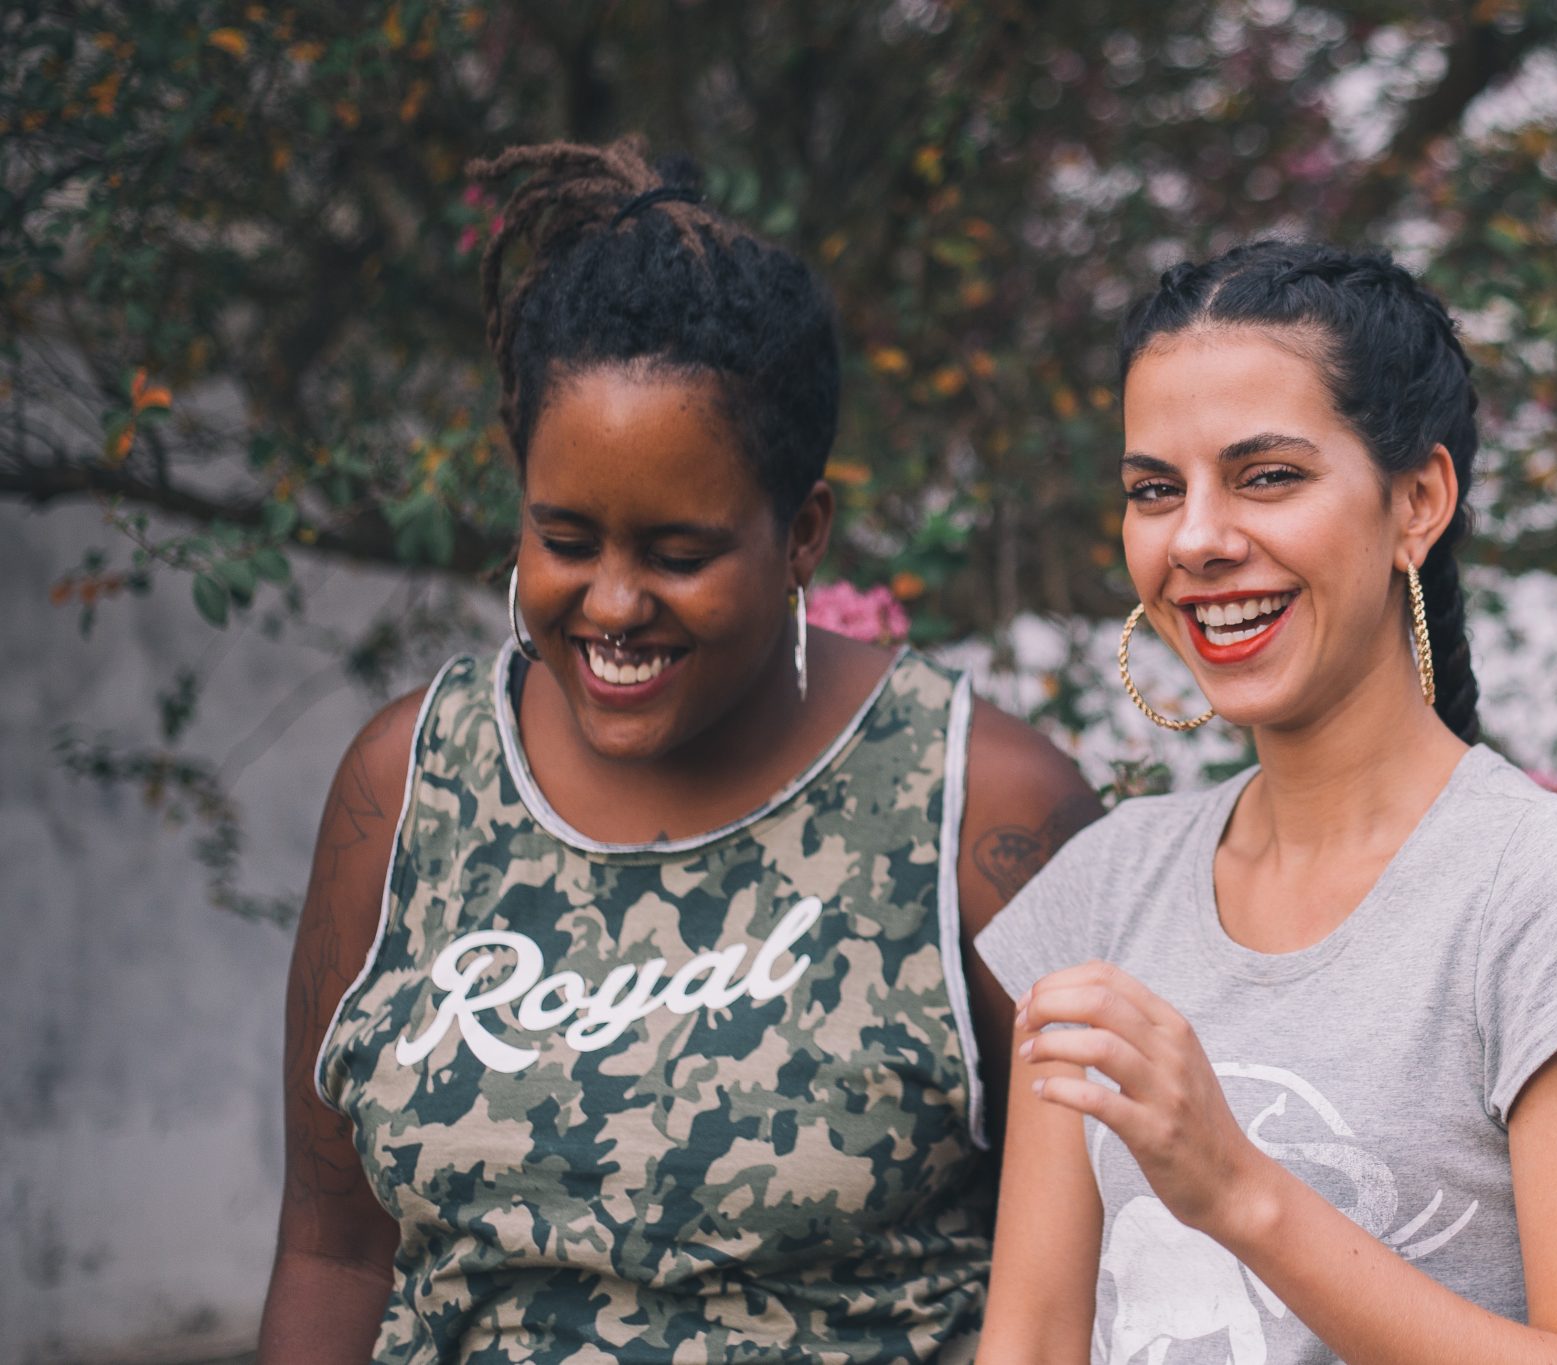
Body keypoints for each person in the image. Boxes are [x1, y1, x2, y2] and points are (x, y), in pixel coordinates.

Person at [255, 137, 1099, 1364]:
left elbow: (1104, 1281)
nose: (608, 604)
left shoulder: (979, 814)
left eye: (677, 553)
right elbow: (333, 1253)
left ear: (801, 532)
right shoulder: (405, 789)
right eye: (564, 537)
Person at [975, 241, 1557, 1364]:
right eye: (1154, 490)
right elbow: (1030, 1341)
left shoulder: (1544, 892)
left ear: (1417, 502)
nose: (1196, 539)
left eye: (1265, 476)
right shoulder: (1109, 889)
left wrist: (1238, 1193)